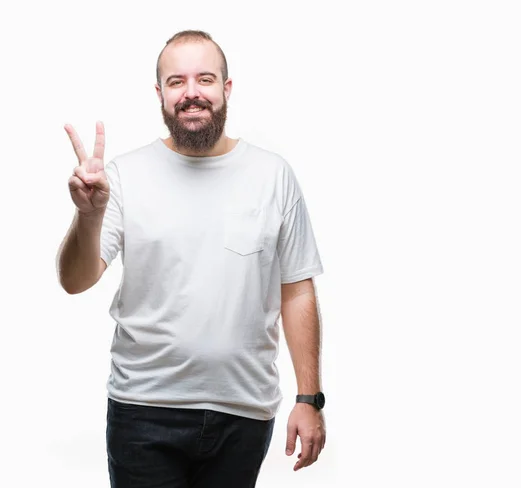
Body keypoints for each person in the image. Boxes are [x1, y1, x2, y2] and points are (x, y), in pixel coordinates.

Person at [56, 29, 327, 488]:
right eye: (177, 82)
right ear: (160, 93)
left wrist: (309, 398)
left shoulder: (272, 175)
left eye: (205, 78)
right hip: (144, 410)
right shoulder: (124, 175)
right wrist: (89, 215)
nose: (192, 93)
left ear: (227, 88)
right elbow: (75, 280)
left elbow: (297, 289)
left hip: (243, 412)